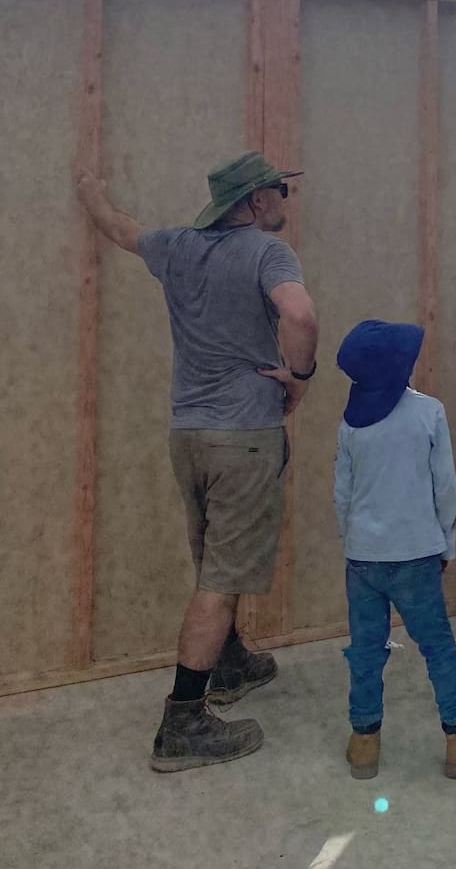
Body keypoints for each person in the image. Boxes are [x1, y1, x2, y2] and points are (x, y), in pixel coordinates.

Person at [76, 151, 319, 773]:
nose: (284, 204)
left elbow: (120, 227)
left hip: (189, 434)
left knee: (216, 559)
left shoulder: (176, 246)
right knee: (220, 578)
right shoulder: (268, 255)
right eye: (279, 194)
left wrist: (91, 190)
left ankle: (231, 661)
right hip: (243, 435)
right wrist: (300, 376)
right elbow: (299, 314)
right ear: (256, 200)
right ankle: (182, 722)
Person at [334, 320, 456, 782]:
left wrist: (352, 543)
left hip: (363, 557)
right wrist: (445, 540)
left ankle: (364, 743)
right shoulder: (429, 413)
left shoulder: (351, 424)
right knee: (438, 647)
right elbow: (444, 486)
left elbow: (342, 494)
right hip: (416, 555)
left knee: (365, 650)